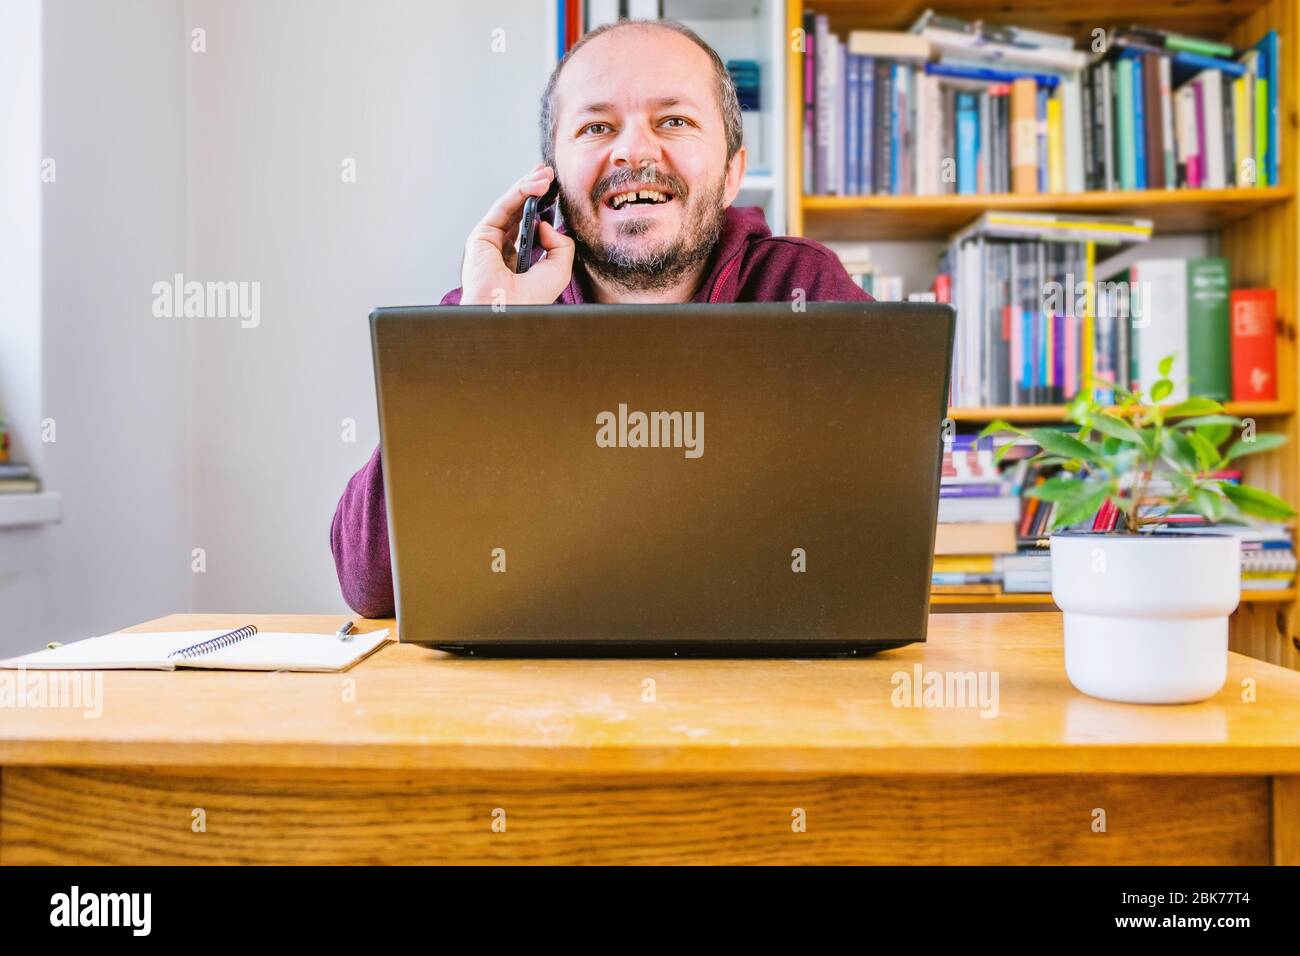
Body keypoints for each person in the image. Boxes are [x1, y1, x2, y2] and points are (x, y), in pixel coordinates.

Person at [332, 18, 872, 617]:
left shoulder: (804, 291)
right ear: (552, 181)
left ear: (732, 174)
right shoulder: (492, 316)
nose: (634, 151)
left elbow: (872, 550)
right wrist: (480, 337)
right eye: (596, 126)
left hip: (751, 688)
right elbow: (369, 583)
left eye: (674, 121)